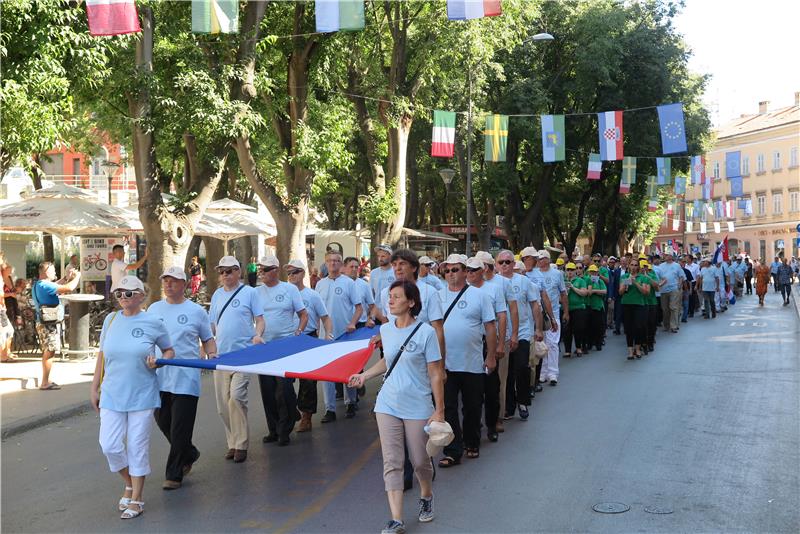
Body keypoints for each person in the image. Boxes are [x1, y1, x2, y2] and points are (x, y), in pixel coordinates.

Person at [348, 281, 445, 534]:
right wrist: (364, 376)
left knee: (420, 459)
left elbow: (435, 373)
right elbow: (387, 361)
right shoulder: (386, 330)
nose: (390, 301)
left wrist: (439, 409)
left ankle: (426, 495)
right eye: (389, 297)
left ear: (411, 302)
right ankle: (397, 518)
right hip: (388, 403)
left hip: (418, 404)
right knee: (392, 461)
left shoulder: (425, 333)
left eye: (396, 297)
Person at [90, 275, 175, 519]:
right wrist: (94, 387)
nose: (122, 298)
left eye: (128, 293)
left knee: (137, 446)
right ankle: (129, 482)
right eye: (118, 293)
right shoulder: (111, 319)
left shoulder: (153, 321)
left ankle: (137, 497)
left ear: (140, 295)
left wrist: (159, 362)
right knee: (109, 445)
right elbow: (102, 355)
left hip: (142, 394)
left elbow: (169, 350)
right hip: (112, 393)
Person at [149, 266, 217, 490]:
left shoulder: (196, 311)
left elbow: (207, 340)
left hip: (186, 378)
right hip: (159, 377)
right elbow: (146, 341)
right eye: (165, 280)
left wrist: (212, 353)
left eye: (174, 281)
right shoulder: (154, 309)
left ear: (184, 284)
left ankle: (174, 474)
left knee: (180, 428)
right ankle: (190, 452)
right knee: (163, 421)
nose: (169, 285)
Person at [437, 254, 496, 467]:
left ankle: (472, 442)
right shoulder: (437, 296)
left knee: (472, 406)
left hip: (472, 363)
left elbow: (490, 326)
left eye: (455, 270)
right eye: (447, 270)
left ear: (464, 271)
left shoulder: (479, 296)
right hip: (445, 363)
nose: (451, 274)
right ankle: (453, 450)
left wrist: (490, 355)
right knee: (449, 407)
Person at [209, 256, 265, 463]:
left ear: (238, 272)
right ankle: (232, 442)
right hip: (221, 355)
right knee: (223, 404)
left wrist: (258, 334)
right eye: (222, 271)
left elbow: (260, 320)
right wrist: (207, 346)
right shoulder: (216, 295)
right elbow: (212, 325)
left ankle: (241, 444)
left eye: (229, 271)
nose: (225, 275)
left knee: (236, 397)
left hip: (244, 354)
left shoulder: (250, 293)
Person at [256, 255, 308, 446]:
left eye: (265, 269)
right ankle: (273, 429)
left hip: (285, 345)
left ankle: (284, 429)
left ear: (275, 271)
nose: (261, 273)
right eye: (260, 269)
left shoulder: (290, 289)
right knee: (267, 390)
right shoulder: (256, 293)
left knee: (283, 389)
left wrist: (299, 331)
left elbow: (303, 314)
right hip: (265, 346)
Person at [286, 259, 334, 433]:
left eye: (295, 272)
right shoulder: (284, 292)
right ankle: (293, 410)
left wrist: (328, 334)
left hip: (308, 338)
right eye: (289, 273)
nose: (292, 276)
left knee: (307, 381)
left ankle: (306, 417)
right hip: (288, 340)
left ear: (303, 274)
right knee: (284, 382)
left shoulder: (312, 295)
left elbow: (325, 318)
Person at [315, 250, 363, 422]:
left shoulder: (349, 283)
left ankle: (351, 402)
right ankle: (330, 409)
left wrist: (352, 323)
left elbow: (359, 308)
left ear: (341, 264)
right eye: (330, 261)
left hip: (345, 334)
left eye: (336, 261)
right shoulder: (320, 284)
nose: (333, 264)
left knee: (348, 370)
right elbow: (316, 310)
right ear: (326, 263)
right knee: (326, 372)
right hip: (325, 336)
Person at [496, 250, 543, 422]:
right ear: (496, 264)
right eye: (501, 262)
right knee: (506, 373)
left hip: (523, 331)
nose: (505, 265)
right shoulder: (494, 283)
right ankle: (509, 406)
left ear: (514, 264)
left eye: (508, 262)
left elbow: (535, 306)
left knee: (522, 367)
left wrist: (538, 329)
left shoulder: (524, 282)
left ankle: (522, 401)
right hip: (503, 334)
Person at [464, 257, 506, 443]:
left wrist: (499, 345)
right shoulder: (460, 291)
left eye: (474, 270)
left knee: (490, 388)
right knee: (470, 391)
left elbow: (501, 316)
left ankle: (491, 424)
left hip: (486, 343)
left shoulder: (493, 289)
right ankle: (472, 427)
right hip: (467, 347)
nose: (470, 273)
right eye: (467, 269)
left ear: (483, 270)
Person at [31, 261, 81, 389]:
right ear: (47, 272)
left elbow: (55, 284)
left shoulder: (39, 284)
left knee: (48, 351)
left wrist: (66, 278)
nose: (55, 272)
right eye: (53, 270)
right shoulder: (45, 286)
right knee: (50, 351)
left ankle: (46, 379)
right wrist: (77, 277)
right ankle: (44, 382)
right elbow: (69, 288)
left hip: (44, 322)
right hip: (47, 324)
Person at [528, 250, 567, 386]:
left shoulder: (557, 274)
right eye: (538, 259)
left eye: (543, 258)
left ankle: (553, 373)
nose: (540, 261)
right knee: (541, 344)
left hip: (553, 314)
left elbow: (563, 293)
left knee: (553, 344)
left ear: (548, 259)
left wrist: (565, 312)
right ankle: (543, 373)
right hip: (538, 315)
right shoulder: (534, 274)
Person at [619, 262, 649, 360]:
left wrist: (635, 282)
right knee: (628, 328)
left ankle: (638, 348)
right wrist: (625, 284)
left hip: (639, 304)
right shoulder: (624, 276)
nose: (633, 267)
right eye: (631, 265)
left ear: (638, 267)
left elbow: (646, 292)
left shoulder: (642, 277)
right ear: (629, 266)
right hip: (627, 304)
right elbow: (620, 292)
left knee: (638, 327)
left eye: (635, 265)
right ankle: (630, 351)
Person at [563, 263, 588, 358]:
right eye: (568, 270)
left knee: (578, 329)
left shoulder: (580, 281)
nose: (569, 272)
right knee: (566, 330)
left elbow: (584, 293)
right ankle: (567, 350)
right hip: (566, 308)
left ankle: (578, 347)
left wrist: (572, 287)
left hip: (578, 308)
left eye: (572, 270)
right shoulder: (563, 281)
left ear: (575, 271)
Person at [657, 254, 686, 333]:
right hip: (663, 290)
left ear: (672, 257)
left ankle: (673, 326)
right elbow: (658, 277)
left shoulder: (677, 265)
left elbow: (681, 276)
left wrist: (679, 285)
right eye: (666, 255)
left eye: (669, 255)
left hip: (674, 289)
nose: (668, 257)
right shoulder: (660, 266)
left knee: (673, 307)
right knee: (665, 309)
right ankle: (666, 325)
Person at [345, 256, 375, 328]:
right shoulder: (340, 284)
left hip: (361, 324)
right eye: (351, 267)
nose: (354, 269)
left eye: (356, 267)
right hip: (344, 324)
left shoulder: (364, 285)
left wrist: (371, 318)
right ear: (345, 267)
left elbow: (372, 306)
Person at [585, 264, 607, 351]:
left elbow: (604, 291)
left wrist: (594, 291)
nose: (593, 273)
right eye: (591, 272)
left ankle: (598, 343)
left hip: (598, 306)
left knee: (598, 326)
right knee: (589, 326)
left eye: (595, 272)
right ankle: (589, 343)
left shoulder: (600, 281)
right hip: (589, 305)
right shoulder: (586, 280)